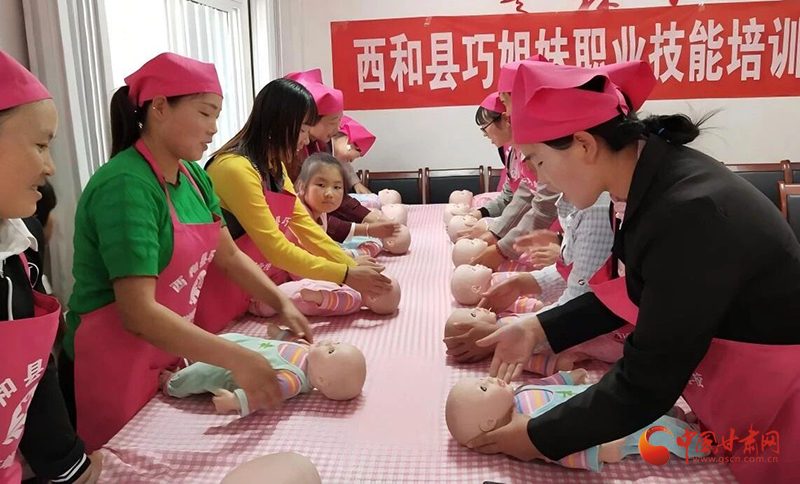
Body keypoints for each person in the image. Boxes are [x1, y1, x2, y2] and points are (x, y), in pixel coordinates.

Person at [467, 59, 800, 484]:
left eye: (537, 161)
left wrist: (538, 437)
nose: (534, 177)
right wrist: (537, 328)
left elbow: (647, 383)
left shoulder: (688, 212)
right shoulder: (643, 183)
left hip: (782, 405)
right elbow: (638, 290)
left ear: (584, 144)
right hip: (740, 391)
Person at [62, 53, 311, 452]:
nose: (214, 128)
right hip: (115, 364)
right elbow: (138, 312)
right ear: (160, 107)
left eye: (217, 115)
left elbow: (228, 256)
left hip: (167, 349)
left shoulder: (194, 176)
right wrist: (237, 358)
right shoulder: (126, 185)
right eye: (205, 113)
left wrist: (281, 302)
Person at [198, 78, 391, 333]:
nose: (306, 139)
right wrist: (344, 274)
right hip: (218, 295)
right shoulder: (234, 169)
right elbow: (276, 248)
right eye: (302, 130)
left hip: (251, 292)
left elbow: (306, 228)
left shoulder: (275, 166)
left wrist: (350, 265)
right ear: (278, 123)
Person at [0, 49, 101, 484]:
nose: (50, 167)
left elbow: (34, 370)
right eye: (41, 145)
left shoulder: (20, 242)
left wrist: (68, 467)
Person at [332, 115, 375, 195]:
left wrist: (357, 184)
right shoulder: (319, 148)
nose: (351, 161)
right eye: (356, 156)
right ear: (349, 141)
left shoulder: (338, 157)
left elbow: (346, 166)